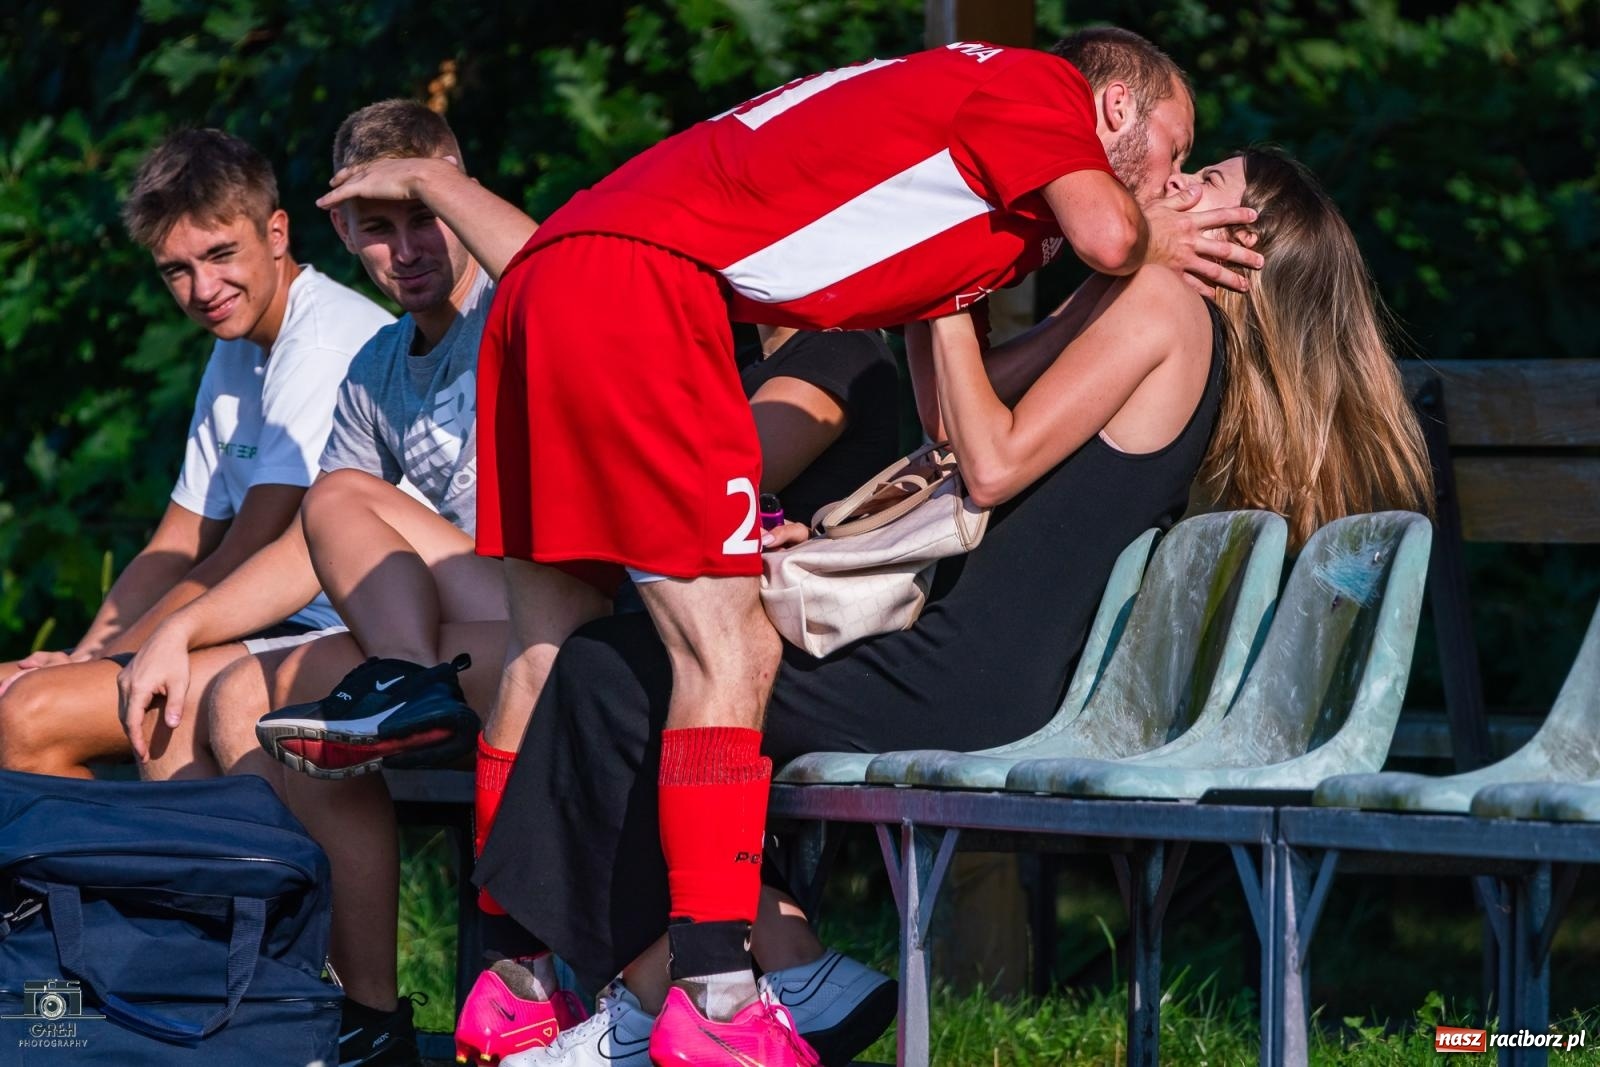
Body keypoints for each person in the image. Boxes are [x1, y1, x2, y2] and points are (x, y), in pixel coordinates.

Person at [482, 146, 1434, 1067]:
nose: (1179, 181)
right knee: (628, 668)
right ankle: (739, 976)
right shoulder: (1137, 304)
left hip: (958, 675)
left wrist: (948, 266)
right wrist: (949, 271)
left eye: (1208, 179)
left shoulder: (1166, 308)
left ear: (1241, 243)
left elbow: (990, 460)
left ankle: (660, 996)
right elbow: (955, 415)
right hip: (962, 661)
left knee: (618, 676)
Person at [112, 99, 536, 1067]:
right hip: (428, 626)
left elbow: (568, 275)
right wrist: (178, 632)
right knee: (231, 700)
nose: (407, 249)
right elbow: (312, 550)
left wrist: (442, 185)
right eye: (377, 227)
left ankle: (406, 684)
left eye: (423, 216)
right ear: (339, 229)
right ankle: (343, 1009)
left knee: (341, 496)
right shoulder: (379, 366)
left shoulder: (512, 310)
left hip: (527, 610)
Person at [0, 128, 391, 779]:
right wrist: (87, 651)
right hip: (266, 621)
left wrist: (103, 664)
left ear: (276, 234)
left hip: (349, 631)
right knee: (19, 688)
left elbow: (246, 549)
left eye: (220, 255)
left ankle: (111, 882)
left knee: (33, 714)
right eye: (176, 270)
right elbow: (177, 542)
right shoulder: (235, 344)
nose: (203, 288)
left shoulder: (321, 343)